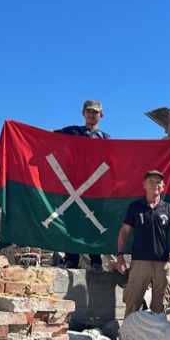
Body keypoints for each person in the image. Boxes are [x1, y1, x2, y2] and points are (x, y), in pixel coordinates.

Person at [116, 170, 170, 318]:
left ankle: (155, 339)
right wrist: (120, 256)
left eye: (158, 182)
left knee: (160, 309)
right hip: (140, 262)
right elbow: (124, 232)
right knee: (133, 303)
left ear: (163, 186)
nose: (155, 185)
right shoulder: (135, 207)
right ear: (144, 185)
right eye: (151, 182)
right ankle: (128, 339)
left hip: (162, 264)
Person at [55, 99, 110, 271]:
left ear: (101, 115)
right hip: (73, 184)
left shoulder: (106, 138)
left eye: (95, 112)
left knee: (94, 223)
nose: (92, 114)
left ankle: (96, 260)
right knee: (72, 222)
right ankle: (71, 258)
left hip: (96, 187)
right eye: (89, 111)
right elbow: (48, 137)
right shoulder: (72, 131)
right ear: (83, 113)